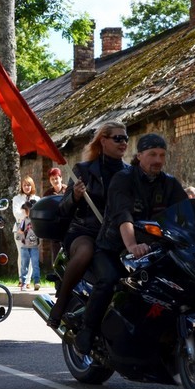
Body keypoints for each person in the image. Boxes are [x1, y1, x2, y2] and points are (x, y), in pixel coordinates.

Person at [74, 133, 188, 355]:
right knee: (108, 280)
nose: (158, 159)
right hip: (113, 248)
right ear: (140, 156)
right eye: (152, 154)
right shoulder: (124, 179)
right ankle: (86, 332)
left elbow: (188, 213)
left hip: (153, 251)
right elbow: (123, 216)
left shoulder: (169, 183)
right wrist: (133, 246)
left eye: (162, 155)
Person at [48, 122, 130, 328]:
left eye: (126, 138)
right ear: (103, 141)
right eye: (118, 138)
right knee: (85, 251)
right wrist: (75, 196)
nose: (124, 142)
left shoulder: (130, 173)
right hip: (85, 231)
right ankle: (62, 302)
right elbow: (63, 210)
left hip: (116, 235)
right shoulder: (83, 170)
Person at [12, 176, 40, 289]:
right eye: (24, 185)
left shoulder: (37, 199)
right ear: (22, 187)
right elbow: (16, 214)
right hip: (20, 228)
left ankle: (27, 281)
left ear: (32, 186)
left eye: (29, 185)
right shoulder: (17, 198)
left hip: (33, 229)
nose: (27, 187)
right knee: (22, 254)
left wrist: (24, 210)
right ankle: (21, 279)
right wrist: (28, 211)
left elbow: (38, 213)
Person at [42, 167, 68, 266]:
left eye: (56, 178)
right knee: (57, 252)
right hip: (55, 227)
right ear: (50, 181)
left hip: (68, 225)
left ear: (61, 178)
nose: (55, 181)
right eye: (52, 179)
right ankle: (58, 276)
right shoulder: (47, 194)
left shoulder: (68, 190)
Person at [16, 201, 40, 290]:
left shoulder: (36, 221)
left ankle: (37, 282)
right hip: (25, 247)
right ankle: (24, 283)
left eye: (25, 211)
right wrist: (22, 234)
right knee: (24, 265)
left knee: (35, 264)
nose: (24, 213)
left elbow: (39, 232)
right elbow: (18, 234)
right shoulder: (23, 221)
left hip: (34, 246)